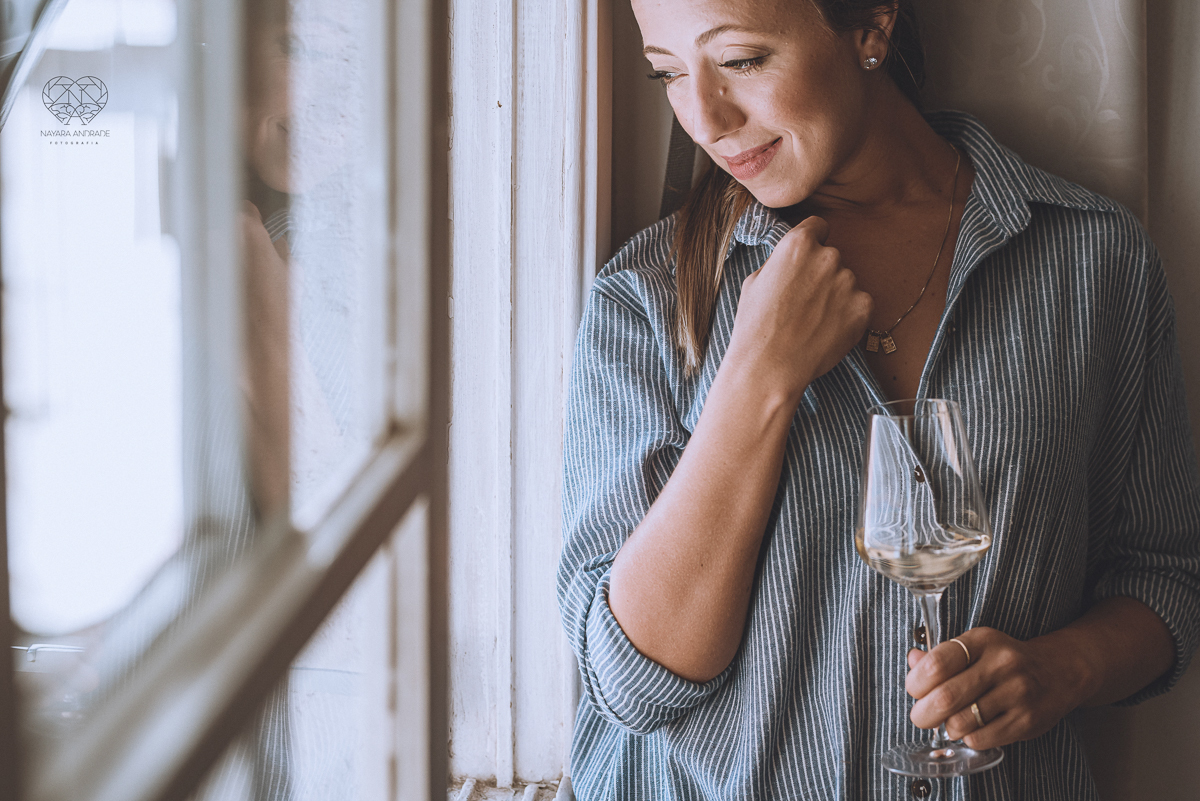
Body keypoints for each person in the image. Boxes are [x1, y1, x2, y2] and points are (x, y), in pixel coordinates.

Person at [557, 1, 1200, 798]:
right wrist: (757, 376)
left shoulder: (1096, 262)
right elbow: (632, 686)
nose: (706, 119)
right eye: (668, 73)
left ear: (872, 26)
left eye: (743, 60)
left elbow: (1166, 576)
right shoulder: (645, 302)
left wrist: (1064, 668)